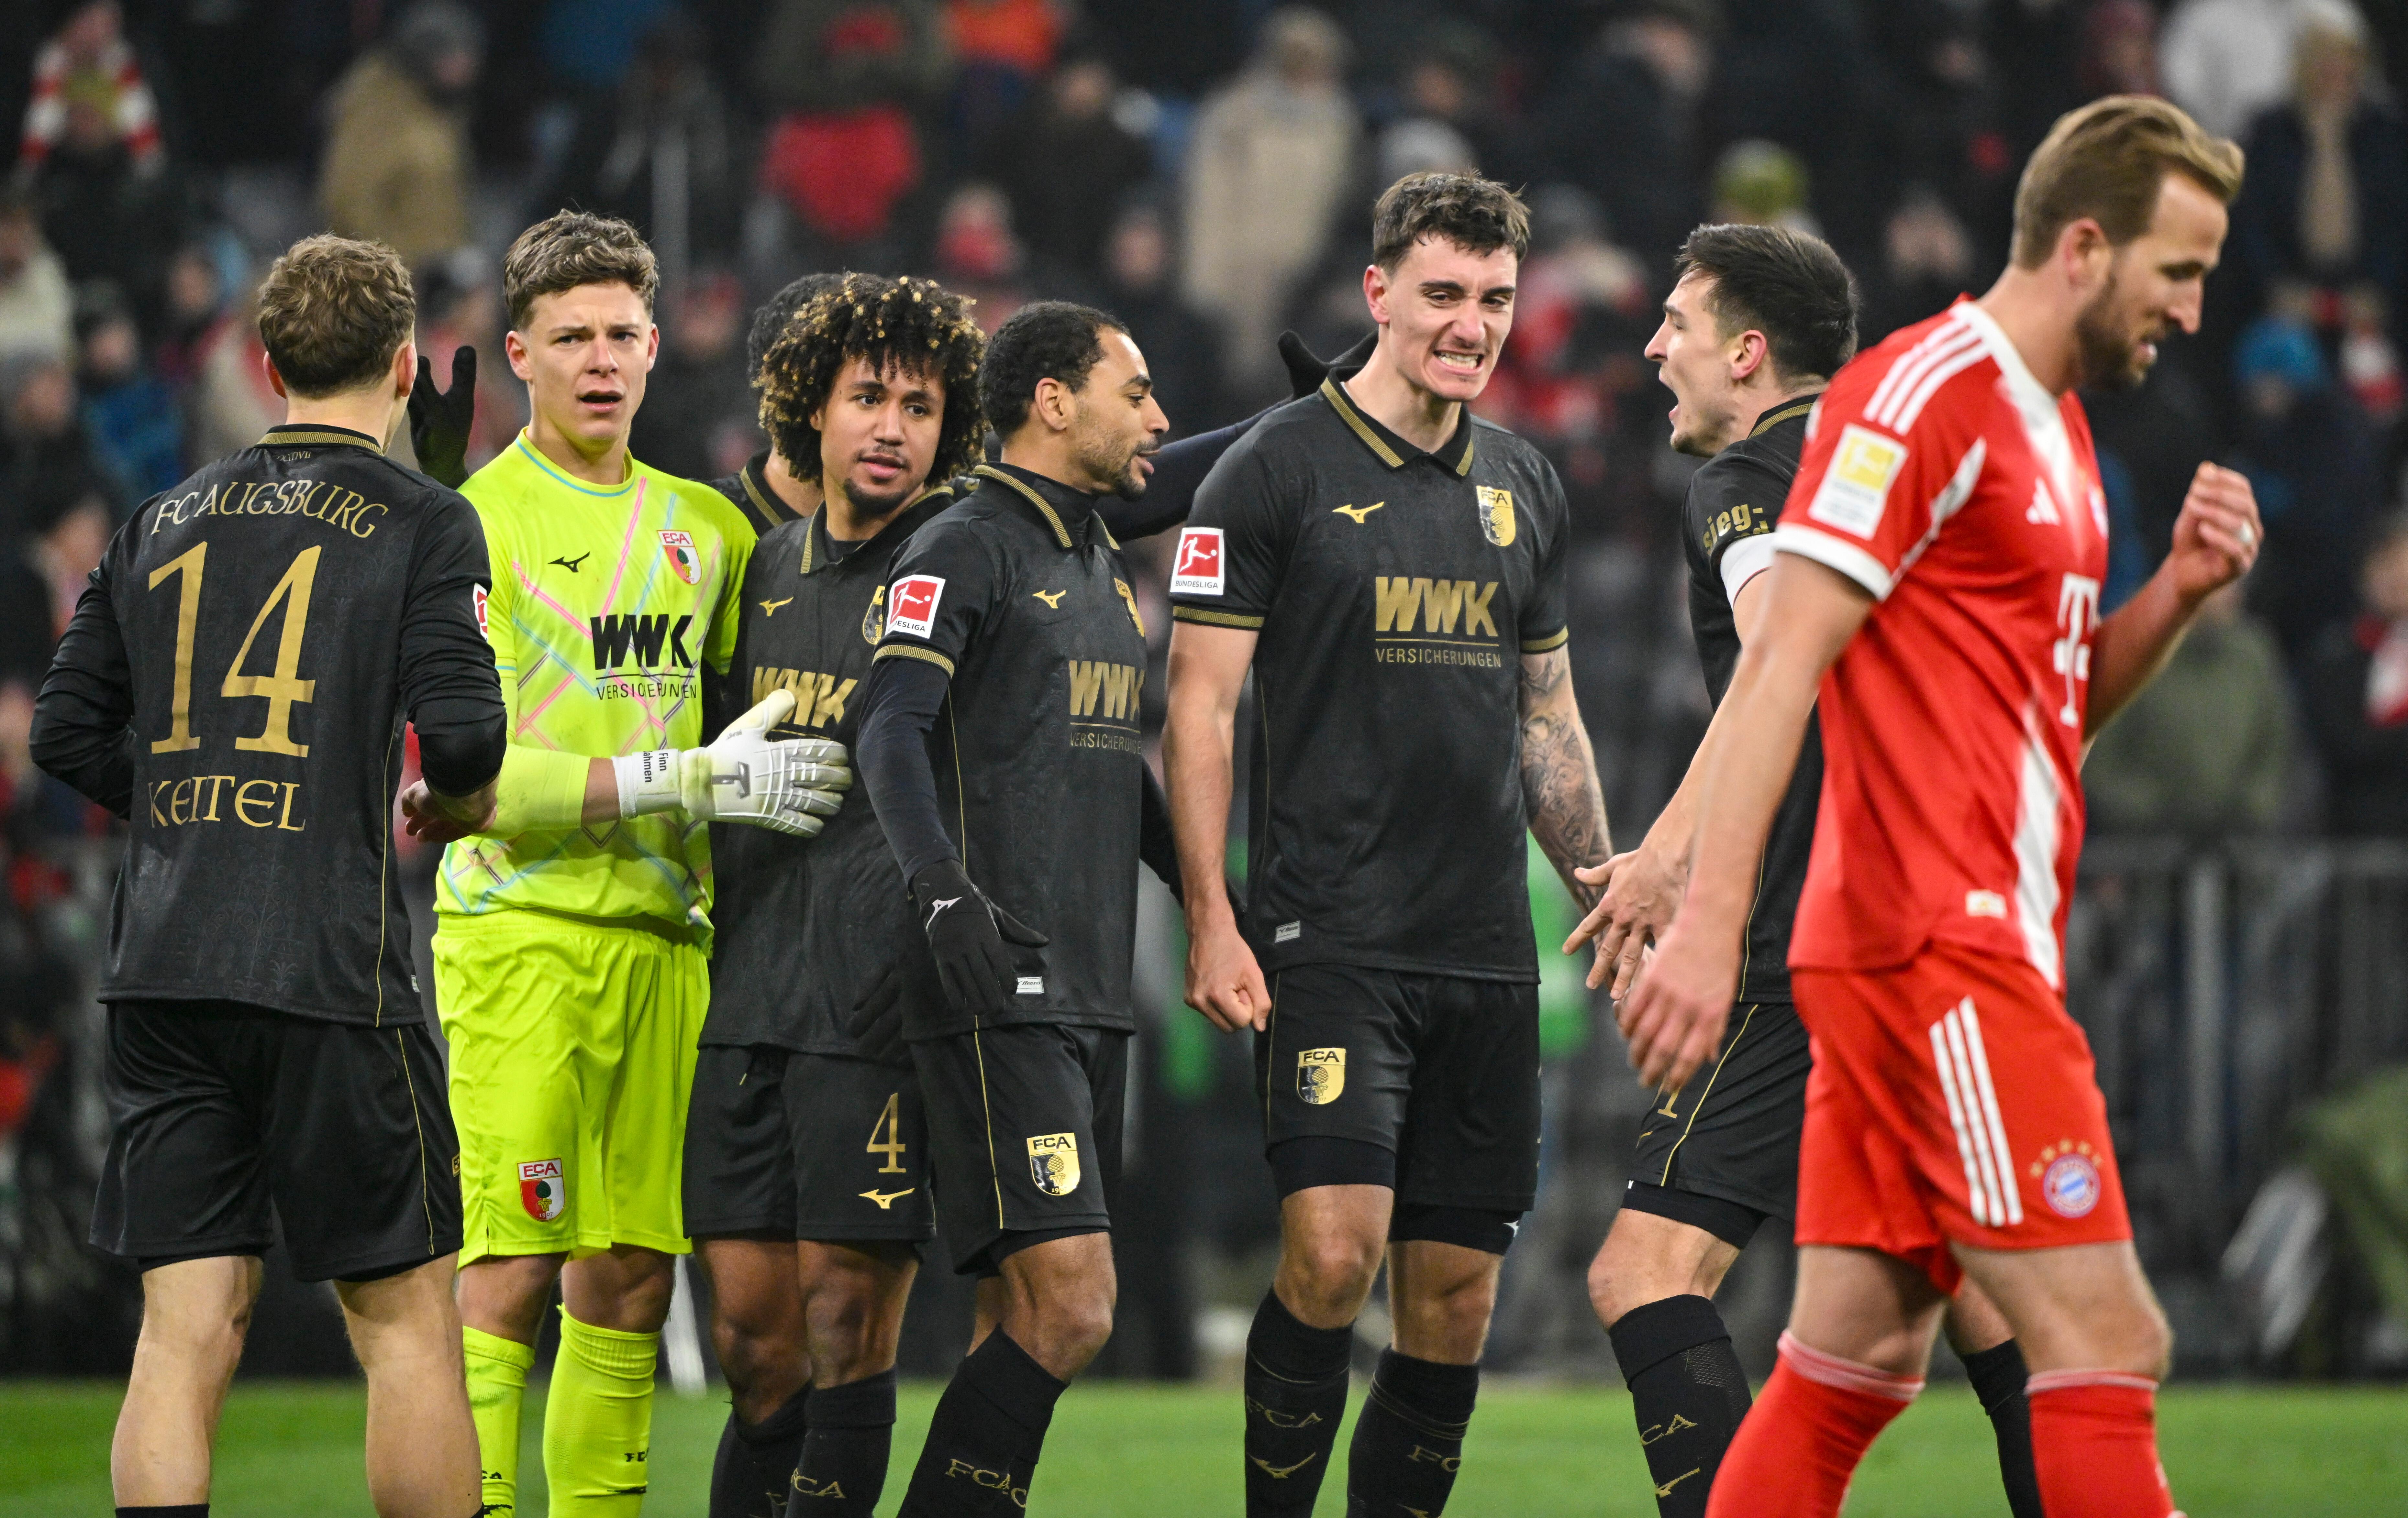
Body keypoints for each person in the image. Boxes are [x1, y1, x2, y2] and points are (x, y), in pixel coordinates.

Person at [1619, 97, 2261, 1518]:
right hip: (1931, 948)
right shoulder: (1923, 392)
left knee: (1847, 1372)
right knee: (2105, 1339)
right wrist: (1707, 929)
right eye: (2180, 270)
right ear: (2085, 248)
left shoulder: (2063, 437)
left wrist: (2175, 598)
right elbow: (1784, 656)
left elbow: (2057, 710)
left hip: (1949, 943)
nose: (2196, 311)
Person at [1567, 222, 2040, 1518]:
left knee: (1647, 1271)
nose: (1656, 348)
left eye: (1678, 324)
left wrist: (1670, 868)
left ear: (1748, 350)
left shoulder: (1754, 475)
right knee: (1982, 1292)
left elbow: (1785, 654)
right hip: (1953, 915)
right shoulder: (1911, 464)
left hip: (1812, 936)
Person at [28, 233, 500, 1517]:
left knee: (184, 1329)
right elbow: (464, 738)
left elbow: (65, 733)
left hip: (166, 969)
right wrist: (445, 802)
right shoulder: (425, 518)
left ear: (271, 362)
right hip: (329, 968)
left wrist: (189, 806)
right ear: (406, 365)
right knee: (405, 1321)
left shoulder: (155, 517)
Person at [1165, 171, 1612, 1518]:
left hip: (1481, 949)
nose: (1469, 326)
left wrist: (1604, 878)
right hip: (1331, 936)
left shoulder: (1524, 482)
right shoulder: (1273, 469)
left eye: (1490, 299)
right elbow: (1199, 707)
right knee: (1332, 1252)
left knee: (1457, 1296)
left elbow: (1547, 717)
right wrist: (1210, 914)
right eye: (1441, 296)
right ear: (1376, 296)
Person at [397, 209, 850, 1518]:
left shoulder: (710, 530)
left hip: (668, 948)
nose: (600, 359)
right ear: (520, 355)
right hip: (519, 940)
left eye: (621, 334)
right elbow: (470, 791)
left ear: (654, 350)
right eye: (571, 336)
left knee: (633, 1280)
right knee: (509, 1274)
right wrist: (695, 778)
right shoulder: (469, 525)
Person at [855, 300, 1182, 1515]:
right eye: (1133, 389)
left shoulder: (1093, 555)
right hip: (1000, 981)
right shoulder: (963, 544)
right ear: (1053, 401)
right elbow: (886, 725)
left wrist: (1213, 898)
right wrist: (943, 897)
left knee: (1021, 1307)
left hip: (1092, 985)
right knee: (1077, 1303)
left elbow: (1113, 763)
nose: (1155, 415)